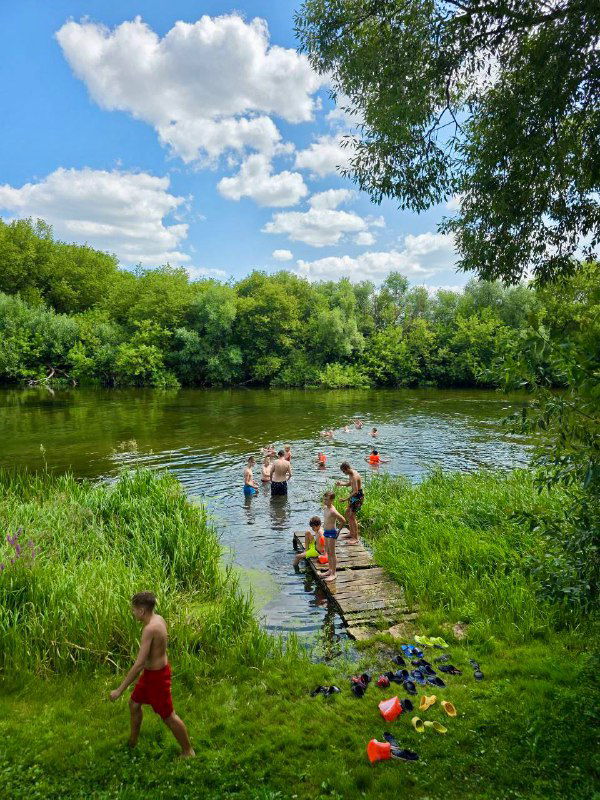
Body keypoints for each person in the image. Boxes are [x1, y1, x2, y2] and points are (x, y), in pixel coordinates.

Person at [109, 591, 194, 758]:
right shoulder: (159, 619)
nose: (132, 612)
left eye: (133, 609)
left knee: (169, 717)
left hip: (157, 678)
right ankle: (132, 743)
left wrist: (119, 690)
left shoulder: (149, 629)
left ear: (141, 611)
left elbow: (139, 663)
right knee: (134, 704)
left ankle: (188, 751)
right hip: (151, 675)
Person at [321, 491, 347, 582]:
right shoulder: (325, 508)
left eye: (327, 500)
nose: (325, 501)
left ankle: (334, 573)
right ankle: (330, 570)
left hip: (332, 533)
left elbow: (343, 520)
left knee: (332, 553)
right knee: (328, 551)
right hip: (326, 532)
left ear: (332, 500)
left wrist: (338, 531)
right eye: (324, 499)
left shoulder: (333, 511)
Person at [336, 461, 363, 545]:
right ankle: (351, 533)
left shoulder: (354, 476)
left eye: (344, 471)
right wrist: (341, 484)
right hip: (354, 496)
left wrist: (344, 499)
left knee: (352, 516)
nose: (344, 473)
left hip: (357, 497)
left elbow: (355, 491)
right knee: (348, 513)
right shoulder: (351, 474)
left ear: (347, 469)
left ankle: (355, 538)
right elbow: (350, 484)